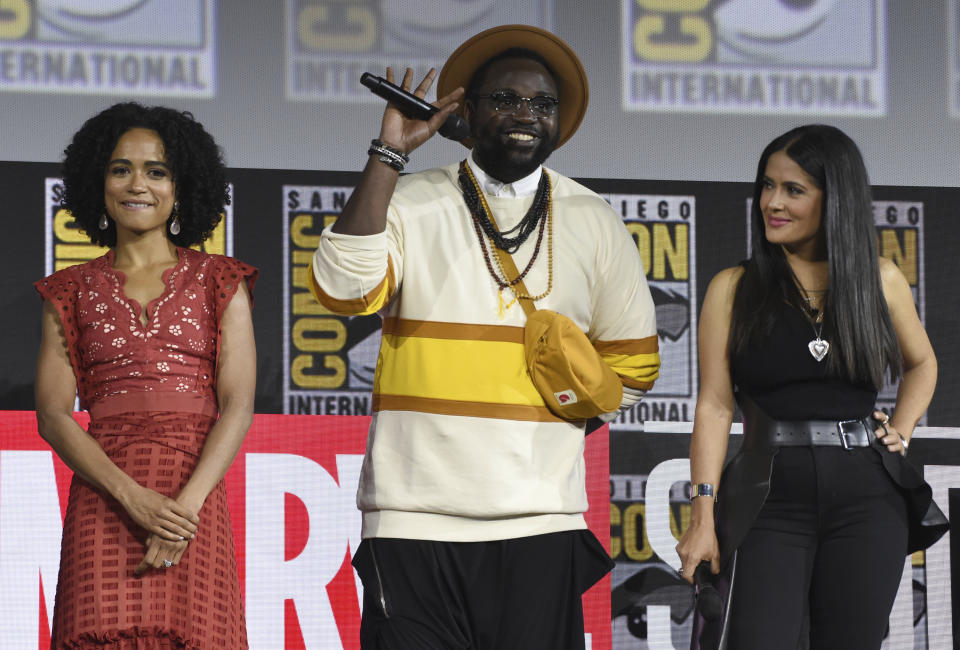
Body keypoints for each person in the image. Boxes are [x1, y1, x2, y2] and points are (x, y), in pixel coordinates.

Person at [310, 25, 660, 650]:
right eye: (506, 99)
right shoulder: (408, 200)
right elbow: (341, 289)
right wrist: (390, 153)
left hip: (540, 522)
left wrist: (561, 407)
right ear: (465, 112)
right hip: (412, 520)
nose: (526, 115)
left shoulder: (595, 220)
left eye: (542, 104)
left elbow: (632, 374)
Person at [675, 124, 948, 649]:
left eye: (793, 190)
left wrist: (903, 430)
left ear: (835, 199)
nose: (772, 202)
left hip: (869, 498)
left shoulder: (881, 278)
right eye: (767, 186)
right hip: (767, 497)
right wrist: (702, 513)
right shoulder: (732, 287)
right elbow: (713, 405)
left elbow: (923, 363)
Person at [34, 102, 256, 648]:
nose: (138, 184)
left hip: (193, 503)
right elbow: (53, 416)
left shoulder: (220, 280)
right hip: (104, 502)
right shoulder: (68, 289)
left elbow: (238, 404)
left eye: (157, 171)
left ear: (183, 187)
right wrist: (131, 497)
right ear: (98, 182)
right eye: (120, 168)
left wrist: (183, 510)